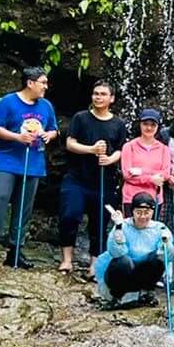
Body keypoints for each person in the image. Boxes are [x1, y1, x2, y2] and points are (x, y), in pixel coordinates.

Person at [0, 65, 58, 269]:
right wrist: (17, 137)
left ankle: (15, 251)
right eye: (43, 83)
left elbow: (54, 129)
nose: (46, 86)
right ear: (30, 83)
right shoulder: (8, 102)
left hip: (33, 163)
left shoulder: (46, 106)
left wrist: (48, 135)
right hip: (6, 162)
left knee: (24, 208)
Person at [57, 80, 127, 276]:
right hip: (76, 178)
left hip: (104, 181)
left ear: (111, 99)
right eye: (96, 93)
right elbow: (70, 143)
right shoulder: (81, 118)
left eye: (103, 94)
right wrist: (92, 150)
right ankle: (67, 260)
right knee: (69, 215)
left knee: (100, 222)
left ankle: (95, 264)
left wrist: (111, 159)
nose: (98, 97)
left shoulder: (118, 124)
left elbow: (121, 149)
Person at [92, 194, 174, 307]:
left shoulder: (159, 228)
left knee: (156, 260)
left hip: (141, 275)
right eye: (138, 212)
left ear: (152, 212)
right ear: (133, 211)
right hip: (120, 273)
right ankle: (116, 296)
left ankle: (146, 293)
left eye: (146, 213)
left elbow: (171, 257)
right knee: (123, 261)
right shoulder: (124, 225)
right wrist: (118, 228)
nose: (142, 217)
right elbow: (115, 252)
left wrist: (166, 244)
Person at [121, 108, 172, 211]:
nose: (149, 128)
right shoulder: (129, 146)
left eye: (153, 125)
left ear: (158, 127)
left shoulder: (164, 149)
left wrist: (140, 171)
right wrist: (151, 179)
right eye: (145, 124)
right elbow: (127, 174)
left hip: (154, 197)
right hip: (131, 198)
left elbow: (166, 174)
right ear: (140, 124)